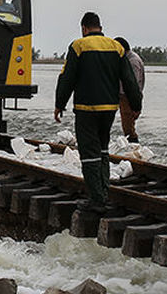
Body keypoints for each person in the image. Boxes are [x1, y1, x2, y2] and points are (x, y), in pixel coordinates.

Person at [54, 12, 143, 213]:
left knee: (89, 153)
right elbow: (129, 80)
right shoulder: (117, 47)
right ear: (100, 27)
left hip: (86, 109)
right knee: (102, 150)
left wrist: (60, 104)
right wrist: (136, 105)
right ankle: (103, 190)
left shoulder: (78, 46)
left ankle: (96, 199)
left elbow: (67, 77)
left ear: (84, 28)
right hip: (109, 109)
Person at [113, 37, 145, 143]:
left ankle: (134, 145)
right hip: (125, 95)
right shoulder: (128, 59)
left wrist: (136, 104)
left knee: (128, 127)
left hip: (128, 97)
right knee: (127, 125)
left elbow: (133, 84)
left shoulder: (132, 61)